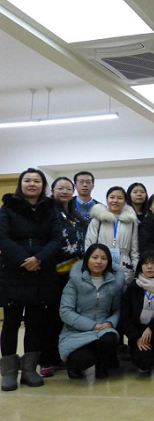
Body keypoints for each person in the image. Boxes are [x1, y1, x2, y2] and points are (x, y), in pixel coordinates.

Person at [0, 168, 62, 391]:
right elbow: (2, 237)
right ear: (21, 183)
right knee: (11, 323)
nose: (32, 184)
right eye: (27, 180)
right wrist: (24, 259)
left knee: (36, 323)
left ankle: (29, 370)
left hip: (41, 271)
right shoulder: (7, 207)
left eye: (37, 181)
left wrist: (39, 258)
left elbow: (57, 239)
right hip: (13, 271)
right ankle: (8, 372)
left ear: (43, 185)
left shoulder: (50, 208)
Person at [58, 244, 123, 380]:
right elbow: (65, 311)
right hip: (76, 332)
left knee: (110, 339)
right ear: (87, 259)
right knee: (82, 359)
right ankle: (74, 366)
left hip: (103, 329)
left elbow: (118, 309)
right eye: (95, 257)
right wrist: (92, 326)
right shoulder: (74, 282)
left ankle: (102, 365)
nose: (99, 262)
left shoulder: (114, 282)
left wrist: (110, 322)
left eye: (103, 258)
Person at [43, 177, 87, 377]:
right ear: (52, 191)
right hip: (53, 274)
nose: (64, 191)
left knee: (70, 318)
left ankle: (66, 355)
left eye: (68, 188)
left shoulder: (75, 214)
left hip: (74, 275)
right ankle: (47, 359)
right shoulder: (47, 213)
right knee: (51, 317)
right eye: (60, 188)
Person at [85, 186, 139, 285]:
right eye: (112, 197)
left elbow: (134, 250)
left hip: (125, 266)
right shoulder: (97, 220)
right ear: (106, 200)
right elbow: (89, 246)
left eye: (120, 198)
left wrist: (137, 271)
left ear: (125, 201)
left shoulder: (131, 221)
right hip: (100, 264)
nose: (115, 201)